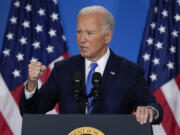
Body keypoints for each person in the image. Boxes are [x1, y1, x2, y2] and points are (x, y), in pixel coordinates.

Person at [19, 5, 163, 125]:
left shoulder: (129, 71)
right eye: (79, 32)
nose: (82, 39)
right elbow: (32, 113)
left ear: (108, 36)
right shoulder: (63, 69)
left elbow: (153, 107)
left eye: (89, 33)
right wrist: (32, 84)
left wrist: (149, 110)